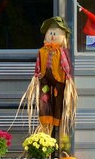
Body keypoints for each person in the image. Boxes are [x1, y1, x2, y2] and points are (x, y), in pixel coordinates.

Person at [18, 16, 79, 146]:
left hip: (59, 80)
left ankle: (58, 127)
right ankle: (46, 125)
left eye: (55, 33)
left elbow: (65, 64)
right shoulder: (42, 51)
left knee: (58, 100)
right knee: (44, 99)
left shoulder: (61, 51)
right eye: (50, 33)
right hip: (44, 79)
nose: (52, 36)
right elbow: (38, 64)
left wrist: (68, 76)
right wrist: (36, 74)